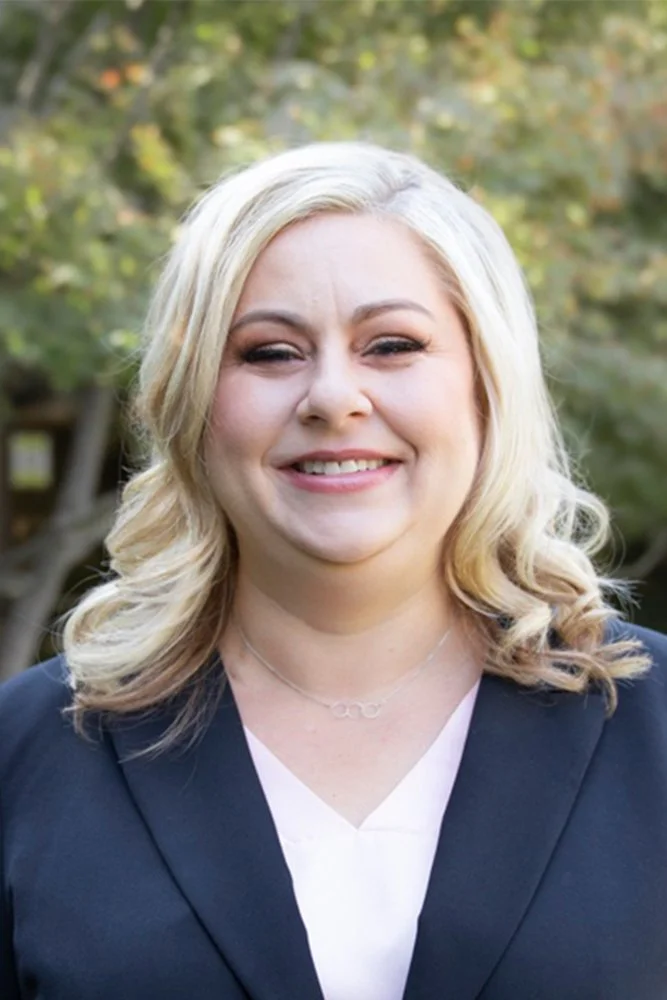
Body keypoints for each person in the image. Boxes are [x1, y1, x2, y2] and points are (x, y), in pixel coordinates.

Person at [1, 141, 666, 1000]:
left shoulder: (650, 730)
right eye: (270, 352)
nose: (331, 397)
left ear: (485, 386)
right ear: (192, 400)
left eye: (390, 344)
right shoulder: (26, 758)